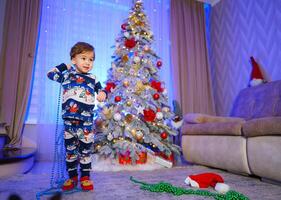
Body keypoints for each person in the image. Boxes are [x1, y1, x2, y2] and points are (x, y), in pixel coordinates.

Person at [47, 42, 106, 191]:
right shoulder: (67, 75)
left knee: (85, 151)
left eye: (91, 59)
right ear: (74, 60)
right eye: (83, 58)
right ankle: (72, 177)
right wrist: (64, 66)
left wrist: (102, 93)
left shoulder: (93, 78)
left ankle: (85, 176)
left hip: (85, 123)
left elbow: (102, 91)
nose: (87, 62)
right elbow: (50, 74)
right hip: (69, 123)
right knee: (70, 152)